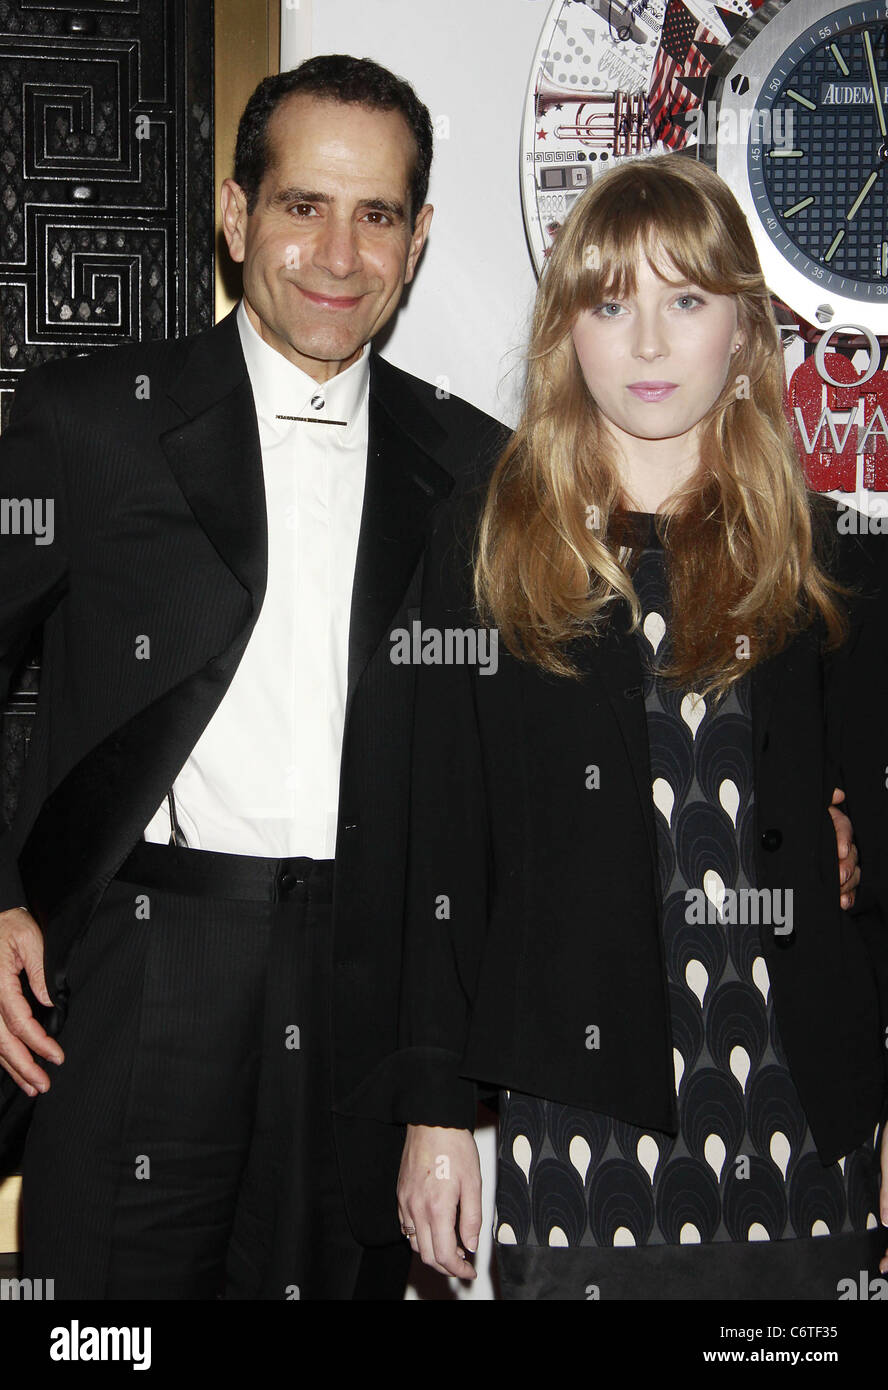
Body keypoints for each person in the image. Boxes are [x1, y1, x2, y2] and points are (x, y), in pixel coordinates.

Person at [0, 54, 505, 1299]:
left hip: (368, 982)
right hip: (141, 962)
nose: (339, 252)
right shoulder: (94, 421)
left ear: (419, 237)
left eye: (377, 214)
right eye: (301, 206)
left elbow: (505, 771)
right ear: (236, 216)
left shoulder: (479, 465)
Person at [391, 153, 888, 1300]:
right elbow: (438, 848)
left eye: (687, 300)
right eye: (612, 303)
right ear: (568, 329)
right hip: (578, 1111)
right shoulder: (489, 541)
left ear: (745, 331)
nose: (650, 343)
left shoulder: (824, 553)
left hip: (804, 1102)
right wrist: (429, 1115)